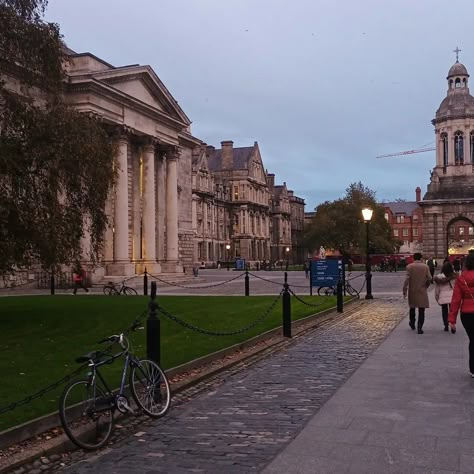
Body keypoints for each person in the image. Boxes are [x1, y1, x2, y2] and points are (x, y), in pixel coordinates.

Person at [448, 253, 474, 377]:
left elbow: (456, 300)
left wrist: (452, 319)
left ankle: (473, 369)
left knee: (473, 340)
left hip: (467, 314)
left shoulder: (461, 279)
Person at [403, 252, 432, 334]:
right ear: (421, 258)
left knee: (412, 307)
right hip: (422, 290)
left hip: (412, 290)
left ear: (413, 258)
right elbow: (430, 278)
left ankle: (412, 323)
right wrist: (426, 286)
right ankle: (420, 327)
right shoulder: (425, 267)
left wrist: (404, 290)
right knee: (421, 309)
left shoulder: (409, 267)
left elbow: (406, 280)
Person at [434, 261, 458, 331]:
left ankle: (446, 325)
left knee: (444, 311)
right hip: (452, 295)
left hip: (442, 296)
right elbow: (457, 287)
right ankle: (452, 323)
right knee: (452, 311)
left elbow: (437, 289)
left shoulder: (439, 277)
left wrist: (437, 297)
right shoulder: (454, 277)